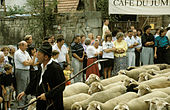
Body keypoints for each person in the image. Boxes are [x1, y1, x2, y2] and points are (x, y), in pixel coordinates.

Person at [17, 42, 66, 110]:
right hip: (41, 102)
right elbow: (36, 80)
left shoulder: (56, 68)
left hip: (52, 104)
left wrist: (47, 95)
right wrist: (26, 92)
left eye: (39, 55)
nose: (37, 56)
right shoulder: (41, 66)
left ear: (46, 57)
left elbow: (61, 86)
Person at [14, 41, 33, 106]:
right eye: (25, 46)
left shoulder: (26, 52)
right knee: (21, 88)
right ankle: (21, 104)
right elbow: (25, 63)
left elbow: (31, 61)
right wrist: (28, 62)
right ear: (21, 46)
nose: (27, 47)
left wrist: (28, 62)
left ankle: (26, 103)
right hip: (21, 71)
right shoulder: (18, 53)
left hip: (27, 71)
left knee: (27, 87)